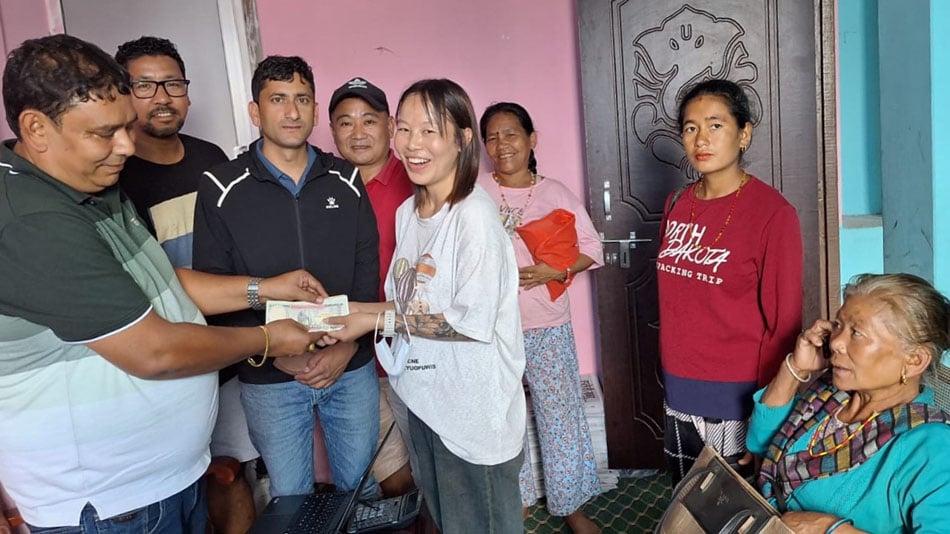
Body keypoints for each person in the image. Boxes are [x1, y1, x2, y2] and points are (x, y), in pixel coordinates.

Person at [0, 34, 323, 531]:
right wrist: (268, 339)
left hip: (162, 483)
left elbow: (160, 282)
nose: (127, 146)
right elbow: (154, 351)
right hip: (109, 504)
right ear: (36, 128)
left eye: (126, 127)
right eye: (105, 133)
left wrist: (265, 287)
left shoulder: (86, 183)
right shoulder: (32, 222)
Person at [325, 78, 526, 533]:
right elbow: (409, 302)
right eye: (406, 129)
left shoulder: (473, 216)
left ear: (463, 139)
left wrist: (367, 318)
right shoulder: (409, 214)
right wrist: (355, 313)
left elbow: (470, 321)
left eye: (430, 131)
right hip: (425, 402)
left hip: (472, 415)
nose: (413, 144)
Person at [193, 55, 381, 499]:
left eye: (302, 99)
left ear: (315, 109)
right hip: (270, 376)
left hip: (349, 368)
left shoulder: (346, 178)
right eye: (278, 99)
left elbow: (366, 268)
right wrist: (273, 352)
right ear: (255, 111)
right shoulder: (220, 186)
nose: (292, 112)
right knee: (290, 499)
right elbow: (213, 286)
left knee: (361, 493)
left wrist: (348, 347)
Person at [114, 36, 257, 533]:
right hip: (160, 357)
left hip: (226, 348)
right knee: (173, 491)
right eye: (145, 85)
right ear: (122, 94)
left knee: (231, 471)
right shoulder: (114, 175)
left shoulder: (210, 159)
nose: (162, 97)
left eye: (173, 84)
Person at [656, 78, 803, 483]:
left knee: (732, 506)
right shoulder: (676, 204)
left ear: (744, 134)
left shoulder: (773, 214)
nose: (701, 139)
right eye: (690, 127)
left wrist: (768, 414)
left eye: (715, 125)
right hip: (679, 386)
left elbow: (784, 324)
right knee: (685, 497)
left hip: (737, 395)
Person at [479, 102, 602, 533]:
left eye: (511, 134)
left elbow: (592, 248)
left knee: (561, 417)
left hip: (548, 326)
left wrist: (556, 270)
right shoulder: (475, 192)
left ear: (532, 140)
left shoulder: (556, 192)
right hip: (492, 329)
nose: (502, 144)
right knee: (503, 418)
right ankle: (516, 501)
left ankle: (571, 506)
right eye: (492, 137)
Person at [747, 273, 950, 533]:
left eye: (857, 333)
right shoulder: (833, 395)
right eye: (838, 326)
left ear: (914, 361)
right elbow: (761, 443)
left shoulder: (932, 447)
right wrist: (795, 368)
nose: (836, 342)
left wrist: (829, 528)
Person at [328, 76, 416, 497]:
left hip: (418, 352)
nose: (358, 132)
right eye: (346, 123)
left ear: (391, 125)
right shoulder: (325, 187)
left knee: (436, 470)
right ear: (332, 131)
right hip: (357, 360)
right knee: (392, 475)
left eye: (369, 120)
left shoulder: (417, 181)